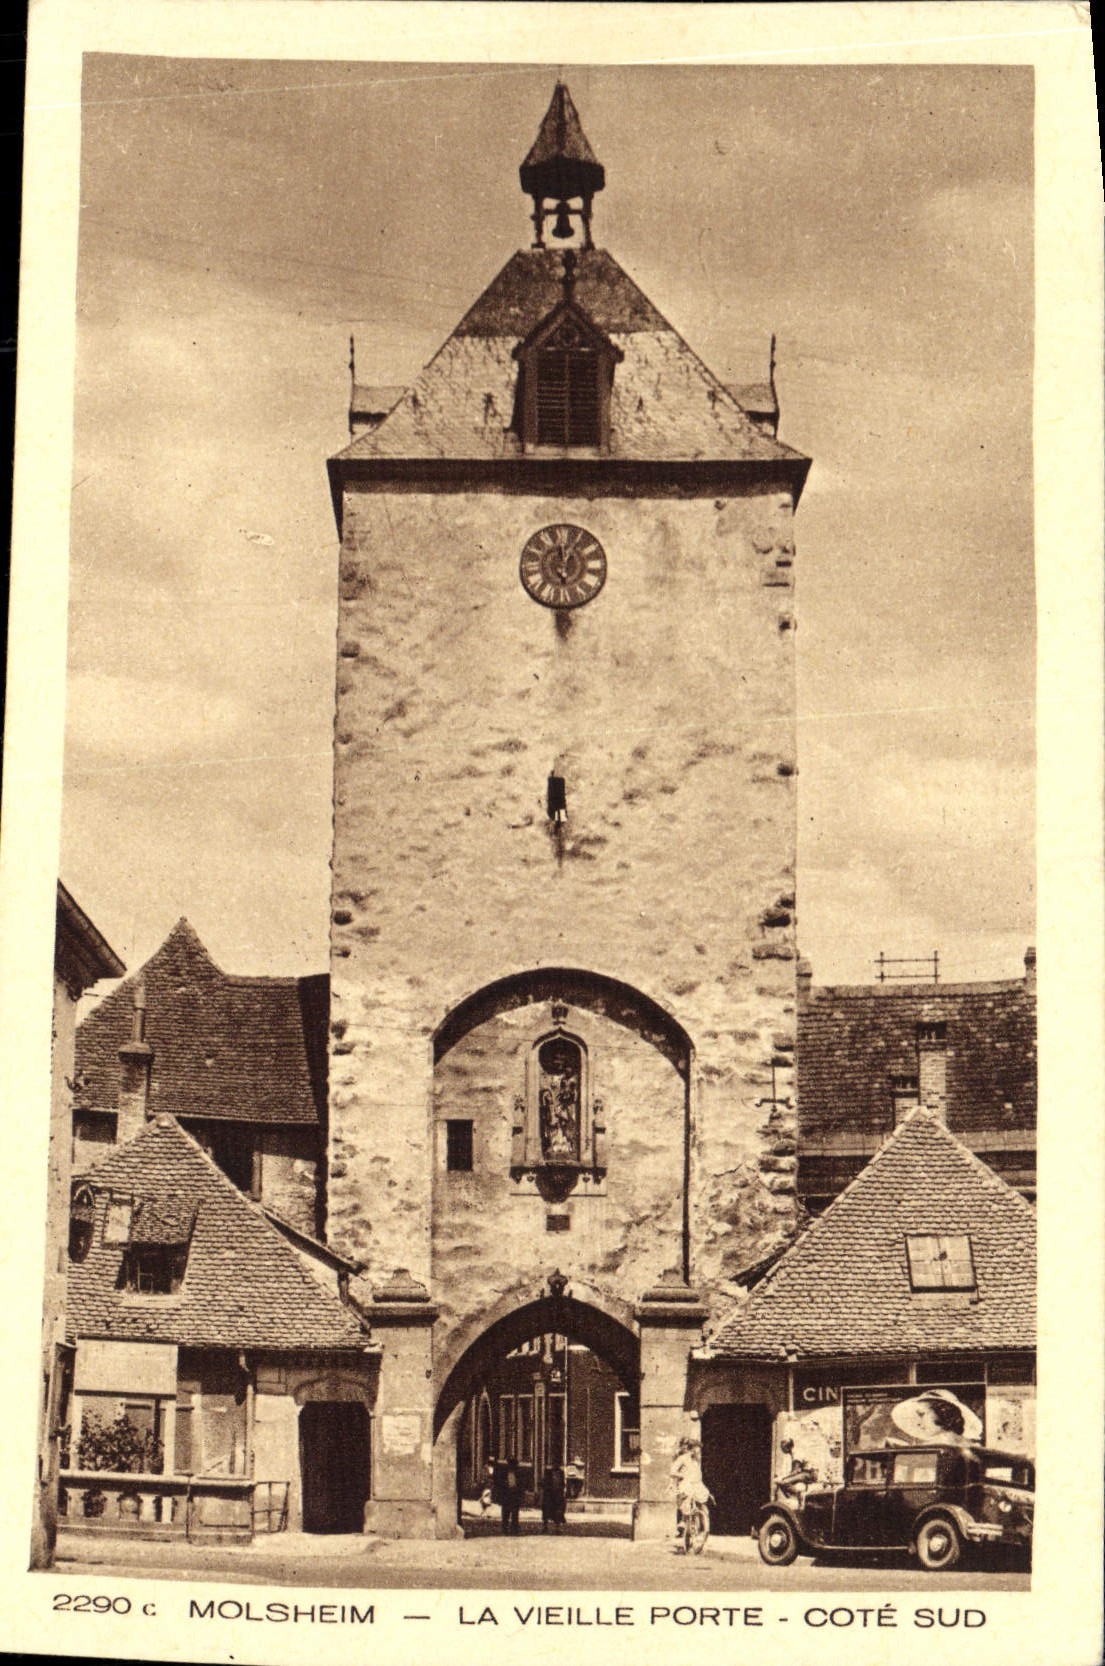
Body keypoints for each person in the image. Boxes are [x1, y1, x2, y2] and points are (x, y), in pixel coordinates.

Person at [669, 1435, 709, 1546]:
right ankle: (684, 1520)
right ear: (692, 1449)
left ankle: (703, 1526)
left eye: (699, 1450)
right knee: (686, 1498)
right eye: (697, 1449)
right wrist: (683, 1475)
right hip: (685, 1483)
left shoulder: (696, 1460)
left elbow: (697, 1474)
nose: (698, 1452)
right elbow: (672, 1471)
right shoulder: (683, 1459)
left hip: (696, 1484)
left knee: (703, 1503)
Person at [541, 1463, 567, 1532]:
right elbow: (544, 1483)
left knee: (558, 1511)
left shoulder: (561, 1473)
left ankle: (558, 1527)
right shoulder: (548, 1473)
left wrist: (561, 1491)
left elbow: (563, 1484)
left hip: (558, 1495)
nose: (556, 1466)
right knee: (546, 1511)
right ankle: (545, 1526)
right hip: (549, 1495)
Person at [500, 1456, 522, 1536]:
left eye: (513, 1464)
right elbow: (501, 1485)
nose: (512, 1466)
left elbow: (521, 1485)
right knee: (505, 1513)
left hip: (515, 1495)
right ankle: (505, 1529)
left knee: (515, 1513)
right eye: (510, 1464)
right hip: (507, 1495)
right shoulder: (504, 1474)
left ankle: (514, 1529)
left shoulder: (518, 1474)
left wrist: (520, 1496)